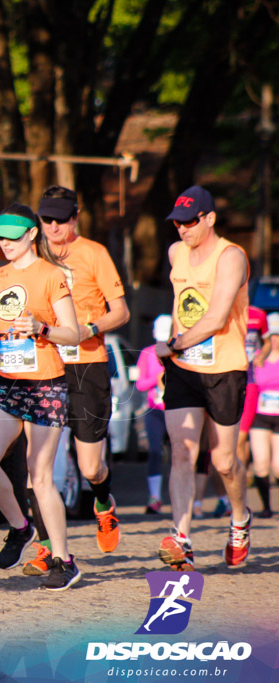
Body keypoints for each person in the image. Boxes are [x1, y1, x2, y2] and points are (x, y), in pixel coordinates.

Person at [19, 186, 129, 576]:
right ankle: (47, 547)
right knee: (38, 467)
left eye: (59, 220)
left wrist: (90, 328)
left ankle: (103, 502)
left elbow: (122, 312)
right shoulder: (33, 255)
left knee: (89, 467)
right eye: (45, 220)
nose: (51, 227)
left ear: (75, 217)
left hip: (87, 364)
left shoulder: (94, 253)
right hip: (44, 366)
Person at [0, 203, 82, 590]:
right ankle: (21, 529)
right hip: (5, 382)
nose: (4, 243)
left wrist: (43, 327)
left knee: (40, 476)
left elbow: (74, 333)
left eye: (12, 236)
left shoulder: (52, 275)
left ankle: (64, 560)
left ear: (32, 235)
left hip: (44, 383)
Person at [154, 185, 251, 570]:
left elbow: (215, 317)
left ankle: (240, 520)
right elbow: (181, 305)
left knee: (224, 461)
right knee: (182, 451)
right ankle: (181, 538)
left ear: (210, 218)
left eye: (190, 221)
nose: (182, 229)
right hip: (184, 369)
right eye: (177, 222)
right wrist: (176, 351)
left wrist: (173, 344)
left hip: (224, 367)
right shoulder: (176, 253)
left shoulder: (232, 257)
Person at [135, 314, 173, 514]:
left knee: (181, 454)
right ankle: (155, 497)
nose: (163, 343)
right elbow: (140, 384)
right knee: (154, 452)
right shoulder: (147, 353)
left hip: (177, 409)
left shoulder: (179, 352)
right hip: (155, 410)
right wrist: (157, 379)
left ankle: (185, 498)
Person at [248, 312, 279, 518]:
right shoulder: (256, 358)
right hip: (260, 414)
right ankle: (266, 507)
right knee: (260, 463)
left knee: (278, 466)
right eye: (273, 336)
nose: (276, 340)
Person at [236, 306, 267, 469]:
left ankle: (239, 488)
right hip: (226, 380)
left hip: (249, 381)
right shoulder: (223, 310)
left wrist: (261, 355)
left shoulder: (258, 314)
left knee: (240, 439)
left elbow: (267, 342)